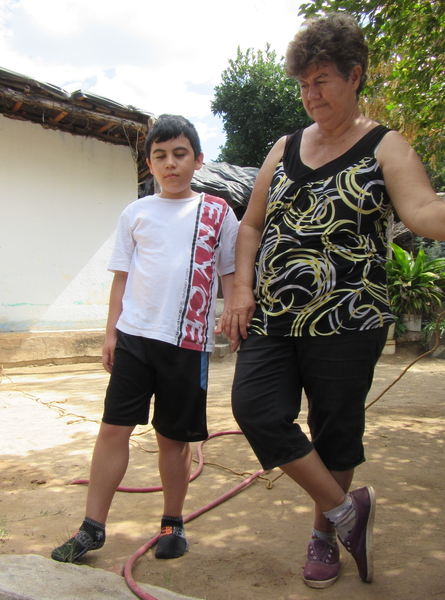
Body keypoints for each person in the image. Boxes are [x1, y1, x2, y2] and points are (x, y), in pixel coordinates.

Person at [219, 13, 445, 590]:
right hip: (273, 313)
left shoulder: (385, 145)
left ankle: (324, 536)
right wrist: (241, 288)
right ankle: (350, 512)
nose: (309, 94)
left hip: (350, 316)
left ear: (354, 76)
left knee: (334, 430)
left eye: (321, 80)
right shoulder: (284, 146)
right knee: (256, 409)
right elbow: (251, 226)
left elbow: (422, 212)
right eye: (302, 83)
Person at [51, 114, 239, 563]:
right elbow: (121, 279)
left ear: (197, 159)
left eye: (179, 154)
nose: (170, 163)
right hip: (135, 338)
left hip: (188, 343)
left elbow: (229, 273)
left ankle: (172, 524)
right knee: (112, 429)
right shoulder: (134, 213)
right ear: (150, 164)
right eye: (160, 156)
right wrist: (110, 332)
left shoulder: (218, 212)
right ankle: (91, 527)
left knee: (173, 438)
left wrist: (231, 316)